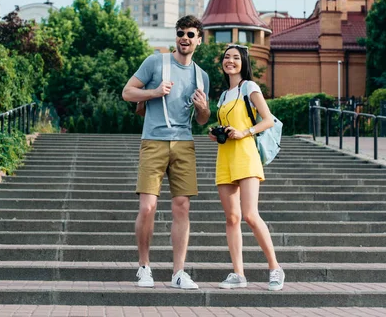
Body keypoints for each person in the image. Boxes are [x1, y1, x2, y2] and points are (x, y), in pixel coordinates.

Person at [122, 15, 210, 290]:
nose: (185, 38)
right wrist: (155, 91)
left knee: (182, 207)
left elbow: (202, 121)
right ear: (176, 36)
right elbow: (127, 92)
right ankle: (144, 267)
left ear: (199, 40)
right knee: (147, 206)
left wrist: (204, 108)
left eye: (191, 34)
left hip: (184, 143)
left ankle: (178, 273)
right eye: (181, 33)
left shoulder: (201, 75)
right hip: (154, 141)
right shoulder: (155, 62)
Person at [208, 44, 285, 291]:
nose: (230, 61)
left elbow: (268, 120)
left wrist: (245, 132)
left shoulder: (249, 87)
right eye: (226, 57)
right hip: (225, 156)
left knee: (250, 215)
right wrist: (216, 133)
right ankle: (238, 274)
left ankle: (275, 268)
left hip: (246, 154)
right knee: (232, 218)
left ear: (243, 62)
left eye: (235, 57)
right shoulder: (222, 95)